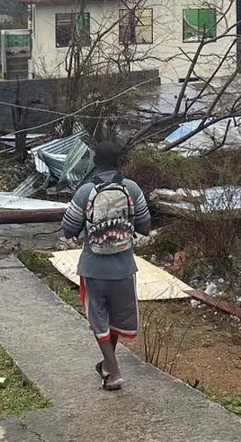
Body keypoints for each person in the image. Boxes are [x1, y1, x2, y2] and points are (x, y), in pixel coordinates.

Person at [59, 140, 152, 391]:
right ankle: (107, 366)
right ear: (119, 162)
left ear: (94, 162)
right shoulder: (131, 188)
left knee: (99, 320)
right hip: (125, 269)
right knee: (116, 319)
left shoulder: (85, 191)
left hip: (94, 269)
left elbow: (68, 230)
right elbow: (145, 226)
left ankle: (114, 372)